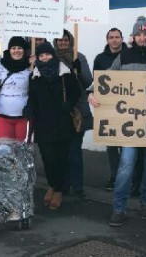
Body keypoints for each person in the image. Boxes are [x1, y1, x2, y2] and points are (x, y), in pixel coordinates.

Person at [89, 16, 146, 227]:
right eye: (139, 34)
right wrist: (91, 92)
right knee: (126, 165)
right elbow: (106, 78)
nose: (143, 37)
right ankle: (119, 208)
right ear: (134, 36)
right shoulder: (124, 57)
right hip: (129, 124)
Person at [26, 42, 81, 210]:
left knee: (62, 159)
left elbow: (76, 92)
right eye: (41, 56)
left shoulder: (65, 73)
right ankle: (52, 184)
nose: (44, 58)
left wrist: (69, 104)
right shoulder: (34, 76)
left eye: (47, 55)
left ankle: (58, 190)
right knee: (48, 159)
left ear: (53, 55)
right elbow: (32, 98)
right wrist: (29, 110)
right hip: (43, 124)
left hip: (62, 122)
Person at [54, 29, 93, 197]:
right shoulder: (52, 59)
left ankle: (78, 186)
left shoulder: (79, 57)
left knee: (75, 151)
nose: (63, 43)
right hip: (60, 111)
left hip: (78, 110)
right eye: (60, 40)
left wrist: (79, 70)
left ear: (70, 41)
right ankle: (64, 184)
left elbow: (88, 82)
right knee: (62, 151)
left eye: (66, 40)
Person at [92, 28, 129, 191]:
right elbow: (96, 82)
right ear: (107, 40)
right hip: (108, 108)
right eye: (111, 37)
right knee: (112, 146)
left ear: (122, 39)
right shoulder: (100, 59)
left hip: (130, 107)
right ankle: (115, 177)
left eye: (117, 37)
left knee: (128, 145)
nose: (114, 40)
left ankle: (129, 178)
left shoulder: (131, 55)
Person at [0, 37, 31, 141]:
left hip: (23, 116)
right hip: (2, 116)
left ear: (24, 50)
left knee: (22, 151)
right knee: (4, 151)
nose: (16, 51)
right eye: (13, 48)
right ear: (9, 50)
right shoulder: (0, 66)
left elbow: (35, 90)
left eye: (20, 48)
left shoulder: (30, 66)